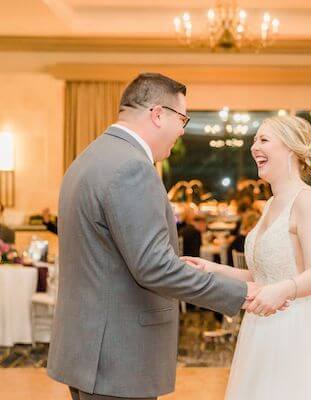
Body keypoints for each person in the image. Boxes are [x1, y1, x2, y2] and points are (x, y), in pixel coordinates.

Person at [47, 73, 256, 400]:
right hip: (119, 355)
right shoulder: (132, 168)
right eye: (182, 119)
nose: (183, 130)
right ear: (158, 115)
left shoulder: (88, 158)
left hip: (87, 350)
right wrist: (244, 294)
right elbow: (154, 267)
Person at [184, 115, 311, 399]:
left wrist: (280, 292)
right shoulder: (271, 204)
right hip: (260, 327)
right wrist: (210, 269)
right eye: (254, 140)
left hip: (297, 329)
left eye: (264, 139)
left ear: (291, 148)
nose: (253, 147)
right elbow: (262, 277)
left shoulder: (308, 200)